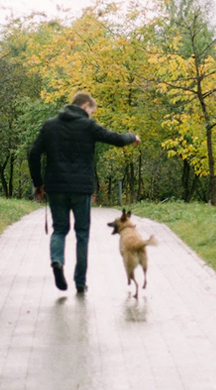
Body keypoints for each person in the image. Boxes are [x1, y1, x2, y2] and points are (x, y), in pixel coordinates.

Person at [29, 92, 140, 294]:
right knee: (82, 234)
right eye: (91, 111)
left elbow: (33, 153)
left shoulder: (50, 125)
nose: (91, 115)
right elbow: (113, 138)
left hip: (56, 187)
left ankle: (57, 260)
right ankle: (80, 282)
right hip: (82, 189)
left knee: (60, 229)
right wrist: (132, 137)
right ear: (86, 105)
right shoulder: (88, 126)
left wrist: (38, 183)